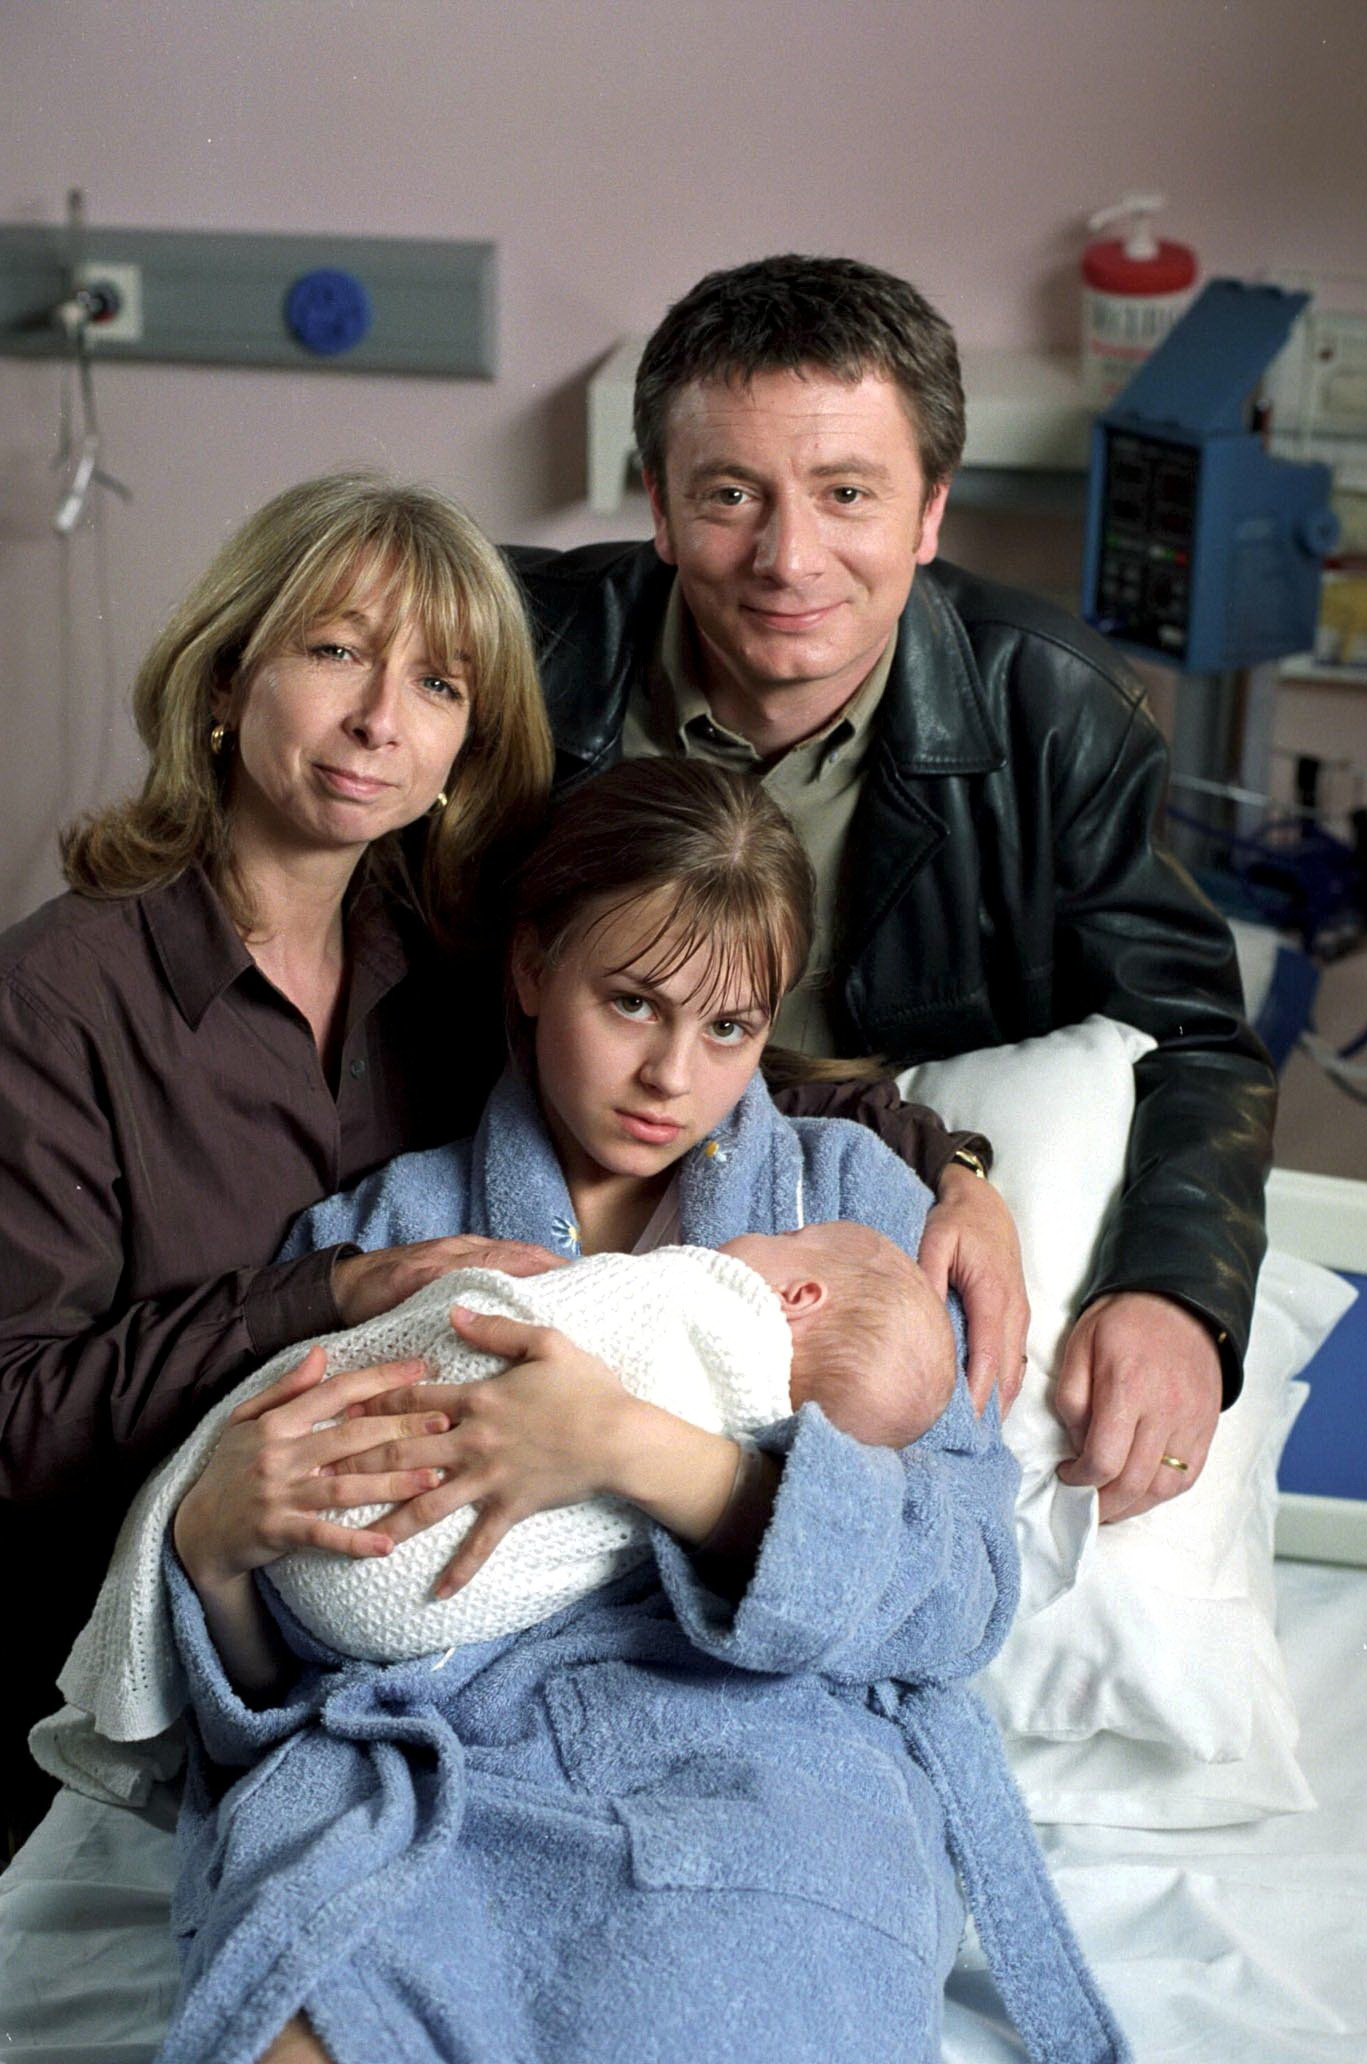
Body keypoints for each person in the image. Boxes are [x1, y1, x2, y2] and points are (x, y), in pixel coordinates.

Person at [126, 760, 1127, 2064]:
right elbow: (289, 1663)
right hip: (431, 1759)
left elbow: (960, 1589)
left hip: (765, 1765)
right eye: (631, 1003)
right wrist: (214, 1556)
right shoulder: (385, 1232)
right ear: (532, 966)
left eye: (730, 1029)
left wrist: (641, 1456)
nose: (670, 1075)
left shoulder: (853, 1206)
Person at [510, 252, 1278, 1525]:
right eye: (729, 494)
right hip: (556, 1210)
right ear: (660, 506)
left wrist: (1173, 1294)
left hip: (858, 1251)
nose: (788, 558)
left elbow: (1194, 1040)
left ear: (928, 514)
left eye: (846, 494)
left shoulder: (1051, 712)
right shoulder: (513, 657)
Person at [0, 471, 558, 1842]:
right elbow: (13, 1413)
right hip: (93, 1674)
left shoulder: (453, 972)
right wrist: (326, 1297)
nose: (380, 718)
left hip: (394, 1652)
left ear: (464, 751)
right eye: (336, 651)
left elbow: (696, 1050)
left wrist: (953, 1164)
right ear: (225, 676)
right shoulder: (54, 999)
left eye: (437, 684)